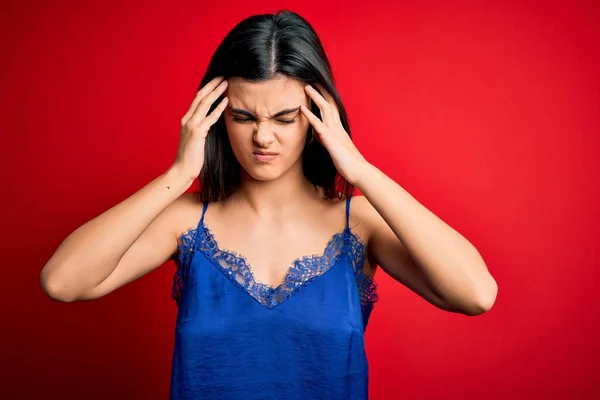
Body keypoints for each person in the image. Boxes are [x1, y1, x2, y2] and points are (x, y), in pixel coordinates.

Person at [40, 9, 498, 400]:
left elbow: (476, 294)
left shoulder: (357, 223)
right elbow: (62, 281)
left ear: (318, 119)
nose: (263, 137)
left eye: (284, 118)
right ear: (216, 117)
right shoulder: (187, 221)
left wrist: (359, 170)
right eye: (243, 117)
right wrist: (178, 175)